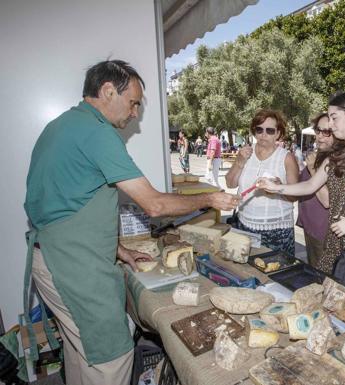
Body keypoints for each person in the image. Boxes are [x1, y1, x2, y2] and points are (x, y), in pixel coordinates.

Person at [23, 60, 239, 385]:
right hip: (73, 265)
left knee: (83, 353)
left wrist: (119, 249)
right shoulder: (97, 133)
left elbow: (67, 203)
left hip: (52, 255)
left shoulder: (61, 125)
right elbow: (154, 205)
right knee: (112, 357)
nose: (135, 113)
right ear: (108, 91)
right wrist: (209, 199)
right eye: (133, 102)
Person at [257, 91, 345, 298]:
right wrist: (277, 188)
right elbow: (310, 186)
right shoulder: (338, 153)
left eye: (335, 118)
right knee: (334, 295)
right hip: (339, 237)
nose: (331, 125)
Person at [225, 109, 299, 257]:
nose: (263, 134)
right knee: (245, 271)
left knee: (275, 274)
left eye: (270, 130)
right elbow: (230, 184)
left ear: (278, 133)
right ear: (254, 131)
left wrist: (279, 188)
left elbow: (294, 197)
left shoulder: (287, 158)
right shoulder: (245, 153)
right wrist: (239, 162)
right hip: (244, 225)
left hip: (277, 230)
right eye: (259, 129)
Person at [296, 113, 333, 267]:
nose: (320, 136)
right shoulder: (319, 155)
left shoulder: (337, 159)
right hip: (311, 225)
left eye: (327, 132)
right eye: (318, 131)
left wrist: (311, 168)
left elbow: (327, 201)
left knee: (322, 277)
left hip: (322, 230)